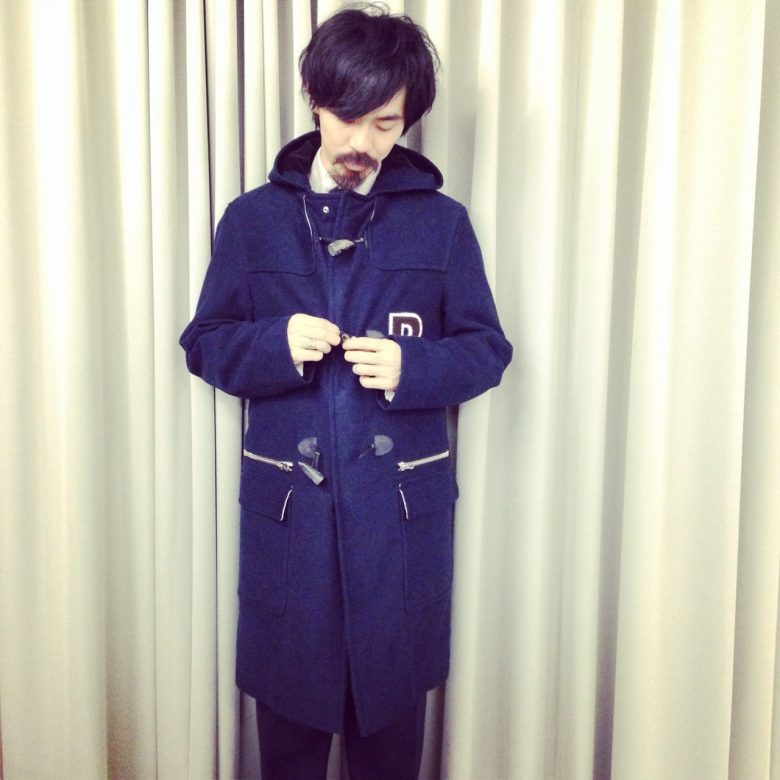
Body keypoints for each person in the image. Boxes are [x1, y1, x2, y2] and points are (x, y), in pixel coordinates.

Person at [180, 4, 512, 778]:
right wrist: (274, 345)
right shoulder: (252, 221)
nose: (363, 142)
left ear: (409, 119)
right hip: (290, 520)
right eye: (348, 117)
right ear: (314, 100)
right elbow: (204, 342)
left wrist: (413, 367)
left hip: (397, 521)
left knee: (388, 734)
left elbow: (487, 350)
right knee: (290, 734)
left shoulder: (442, 225)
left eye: (386, 123)